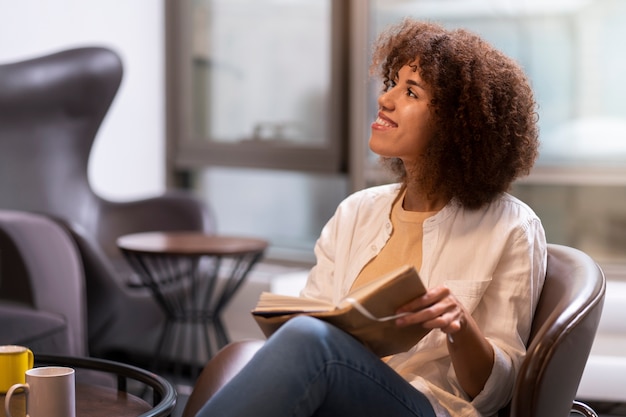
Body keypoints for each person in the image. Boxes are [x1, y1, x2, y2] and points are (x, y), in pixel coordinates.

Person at [195, 19, 546, 417]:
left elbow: (499, 391)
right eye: (390, 84)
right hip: (341, 394)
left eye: (410, 91)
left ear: (458, 124)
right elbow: (312, 319)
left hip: (427, 408)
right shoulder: (356, 212)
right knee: (284, 343)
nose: (385, 99)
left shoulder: (512, 227)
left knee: (309, 340)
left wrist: (461, 329)